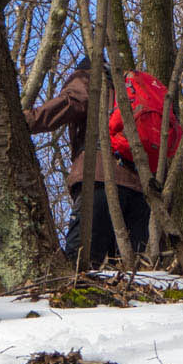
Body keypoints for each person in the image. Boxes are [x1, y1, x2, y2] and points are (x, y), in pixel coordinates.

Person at [24, 57, 152, 267]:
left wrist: (26, 121)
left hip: (100, 178)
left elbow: (70, 103)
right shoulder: (131, 92)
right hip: (138, 189)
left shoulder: (90, 80)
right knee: (128, 269)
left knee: (80, 263)